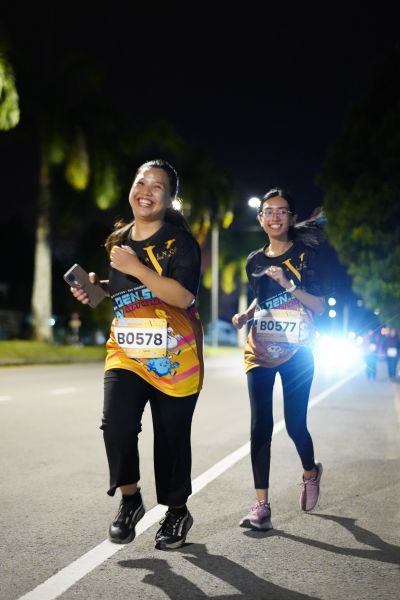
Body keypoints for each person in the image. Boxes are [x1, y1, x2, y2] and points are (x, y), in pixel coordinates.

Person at [70, 159, 203, 550]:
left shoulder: (181, 243)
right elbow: (124, 289)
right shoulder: (119, 240)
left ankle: (177, 511)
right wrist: (96, 289)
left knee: (171, 438)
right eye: (141, 182)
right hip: (127, 350)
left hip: (174, 355)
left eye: (157, 186)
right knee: (116, 425)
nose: (146, 191)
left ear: (169, 199)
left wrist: (136, 267)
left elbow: (183, 296)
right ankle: (130, 499)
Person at [232, 188, 327, 530]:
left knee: (295, 423)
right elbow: (262, 297)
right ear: (260, 219)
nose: (275, 216)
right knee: (260, 425)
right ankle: (262, 506)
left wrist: (288, 284)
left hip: (298, 351)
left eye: (282, 211)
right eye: (268, 211)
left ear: (291, 217)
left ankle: (310, 472)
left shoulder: (305, 256)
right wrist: (247, 314)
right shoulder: (254, 261)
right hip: (260, 348)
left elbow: (318, 305)